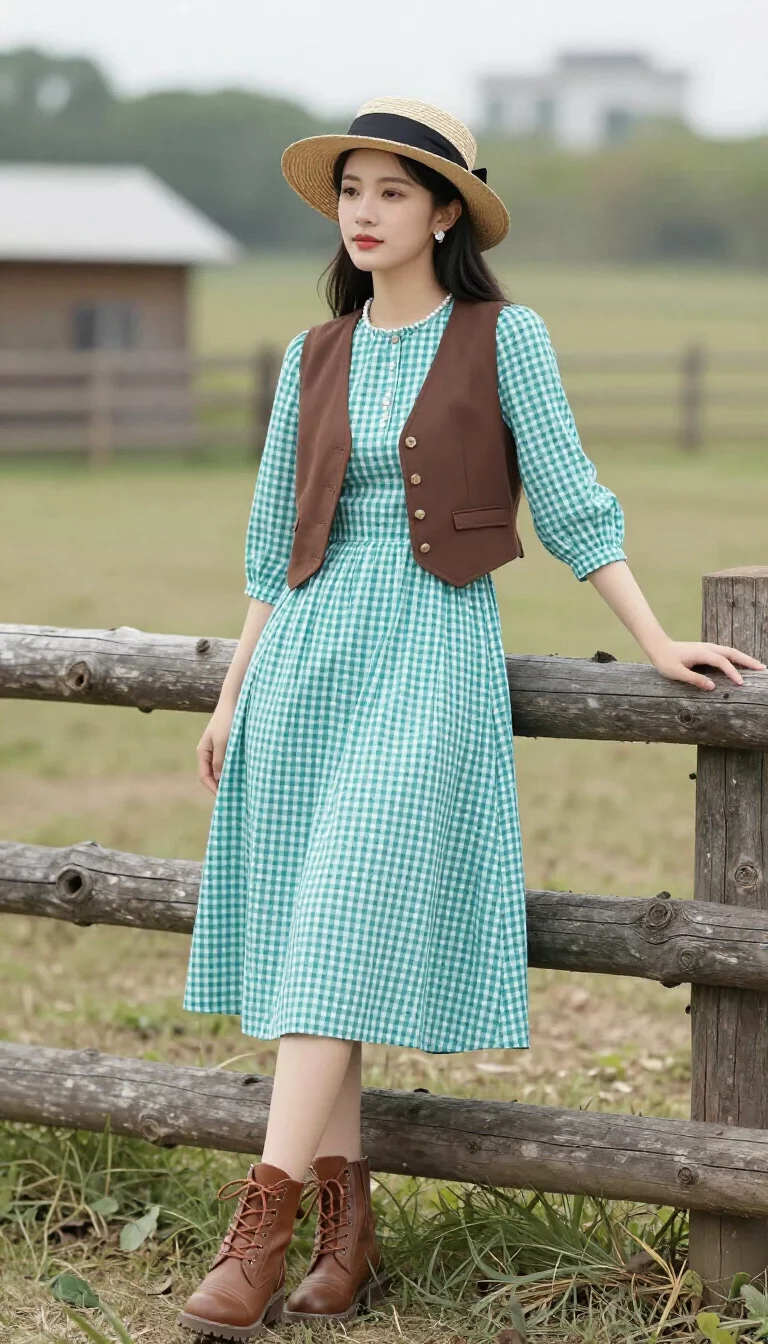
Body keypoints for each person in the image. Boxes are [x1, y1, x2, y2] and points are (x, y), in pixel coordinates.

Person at [178, 97, 765, 1340]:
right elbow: (272, 540)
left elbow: (568, 499)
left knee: (338, 919)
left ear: (446, 211)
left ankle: (258, 1227)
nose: (367, 213)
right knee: (303, 941)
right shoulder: (311, 355)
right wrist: (234, 690)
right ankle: (345, 1235)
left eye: (393, 192)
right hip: (308, 662)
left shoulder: (505, 337)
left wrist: (656, 639)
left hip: (428, 653)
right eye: (353, 192)